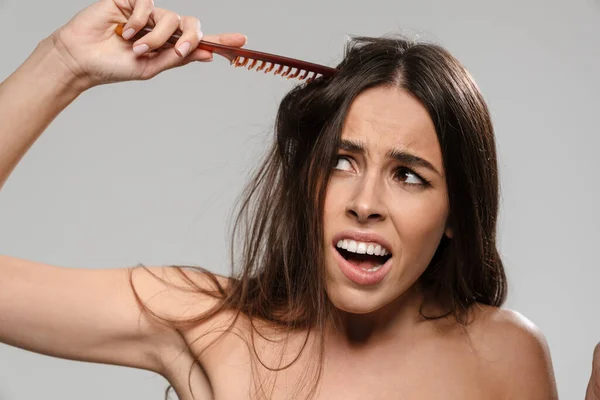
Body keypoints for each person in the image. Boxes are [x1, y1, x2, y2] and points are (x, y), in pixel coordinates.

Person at [0, 0, 571, 399]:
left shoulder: (506, 353)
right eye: (342, 162)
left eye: (409, 176)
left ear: (455, 214)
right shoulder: (205, 323)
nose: (365, 202)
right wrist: (63, 63)